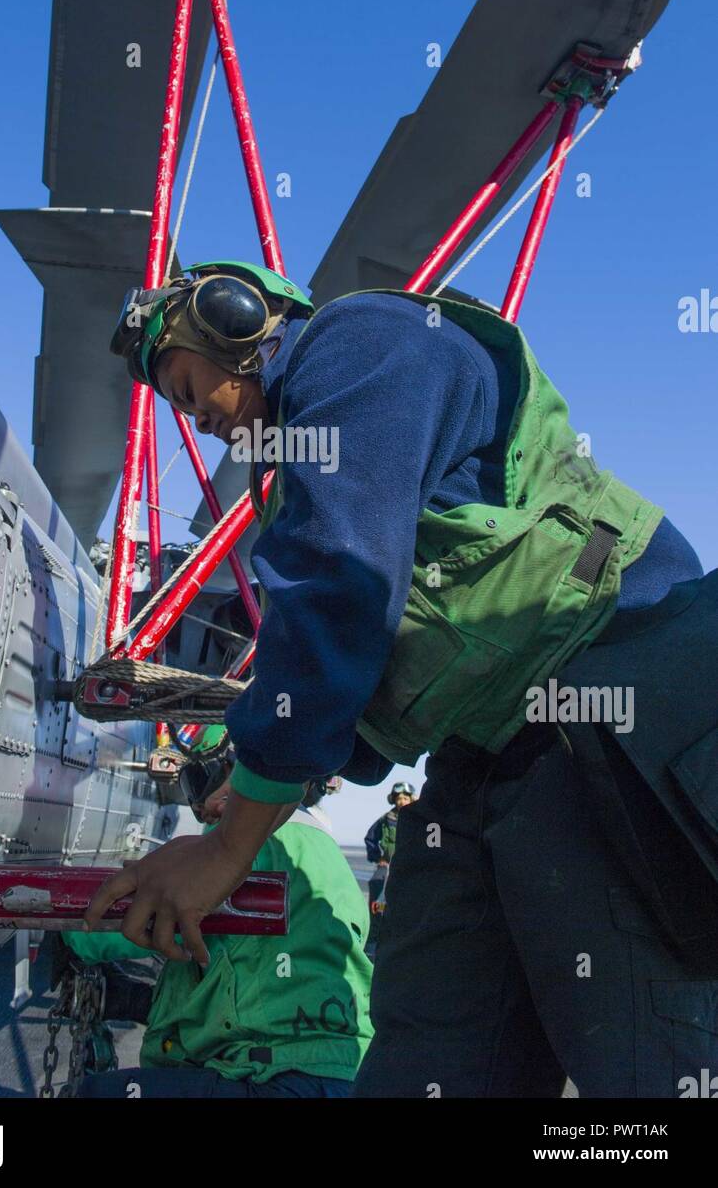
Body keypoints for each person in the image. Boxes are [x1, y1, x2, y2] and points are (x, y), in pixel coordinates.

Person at [95, 259, 718, 1099]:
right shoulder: (303, 470)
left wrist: (232, 847)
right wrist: (235, 789)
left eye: (184, 382)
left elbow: (338, 589)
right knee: (430, 1050)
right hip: (490, 751)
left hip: (611, 699)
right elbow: (354, 679)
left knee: (647, 1060)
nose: (194, 416)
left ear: (233, 318)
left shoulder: (361, 345)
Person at [66, 731, 373, 1098]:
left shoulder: (239, 849)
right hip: (347, 1075)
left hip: (271, 1077)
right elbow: (251, 976)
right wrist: (135, 1000)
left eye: (201, 780)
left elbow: (132, 921)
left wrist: (72, 935)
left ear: (241, 769)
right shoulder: (326, 854)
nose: (201, 807)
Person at [364, 783, 415, 953]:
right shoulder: (387, 819)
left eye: (405, 798)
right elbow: (371, 838)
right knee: (376, 887)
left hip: (411, 865)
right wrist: (378, 858)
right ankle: (373, 940)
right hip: (387, 865)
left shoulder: (420, 817)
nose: (401, 801)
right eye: (399, 798)